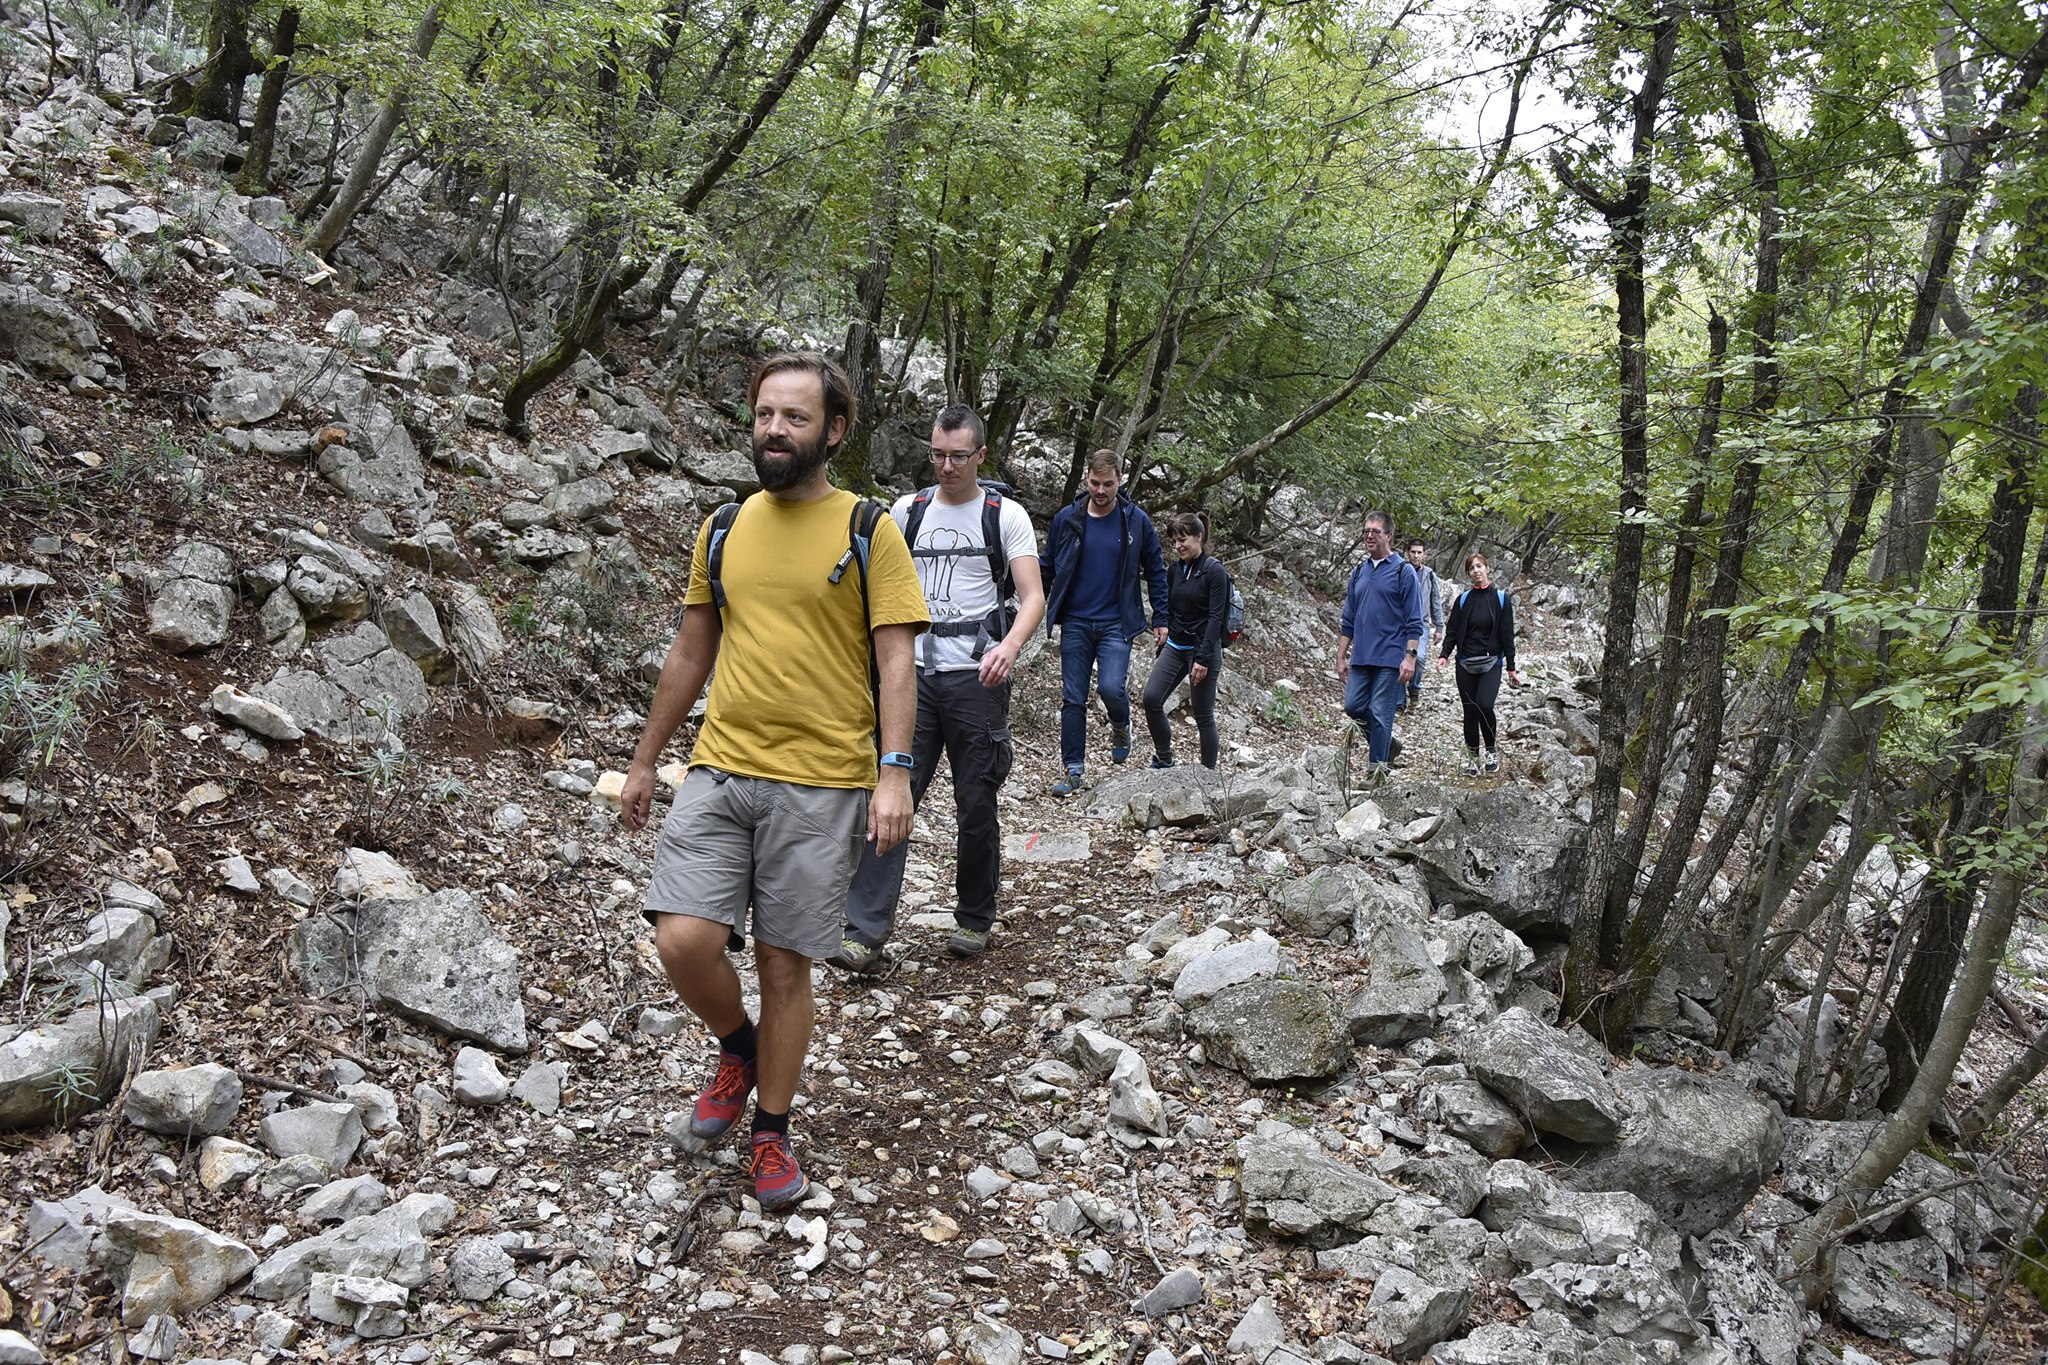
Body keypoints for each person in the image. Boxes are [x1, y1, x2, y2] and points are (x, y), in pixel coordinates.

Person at [619, 352, 928, 1211]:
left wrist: (894, 773)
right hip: (722, 765)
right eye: (764, 415)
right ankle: (740, 1046)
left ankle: (771, 1132)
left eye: (795, 417)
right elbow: (692, 650)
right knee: (683, 939)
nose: (775, 430)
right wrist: (645, 758)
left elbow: (896, 660)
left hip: (824, 780)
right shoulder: (724, 526)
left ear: (834, 430)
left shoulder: (868, 528)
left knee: (783, 963)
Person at [829, 405, 1046, 972]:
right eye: (938, 455)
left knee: (976, 803)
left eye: (958, 456)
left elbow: (1033, 597)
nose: (947, 466)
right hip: (911, 682)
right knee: (891, 795)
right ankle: (863, 931)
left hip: (977, 680)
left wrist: (1008, 647)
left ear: (981, 456)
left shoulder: (1005, 516)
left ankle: (974, 917)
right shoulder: (908, 511)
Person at [1039, 449, 1169, 796]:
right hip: (1076, 621)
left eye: (1108, 484)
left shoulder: (1136, 521)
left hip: (1116, 623)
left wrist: (1161, 617)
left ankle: (1121, 724)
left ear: (1119, 481)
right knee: (1073, 697)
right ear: (1087, 478)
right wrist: (1031, 603)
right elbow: (1047, 566)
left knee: (1111, 688)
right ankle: (1073, 770)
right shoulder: (1068, 518)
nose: (1100, 490)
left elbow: (1156, 570)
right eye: (1095, 483)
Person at [1335, 510, 1425, 782]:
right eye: (1366, 531)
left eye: (1375, 531)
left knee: (1380, 712)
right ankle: (1388, 745)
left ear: (1389, 535)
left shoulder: (1403, 571)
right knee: (1353, 706)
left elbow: (1415, 620)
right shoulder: (1359, 572)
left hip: (1390, 657)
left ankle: (1376, 772)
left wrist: (1410, 657)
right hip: (1362, 656)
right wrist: (1341, 655)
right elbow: (1348, 618)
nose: (1369, 536)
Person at [1141, 512, 1231, 770]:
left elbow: (1216, 618)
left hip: (1202, 649)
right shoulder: (1176, 569)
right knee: (1151, 698)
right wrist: (1164, 634)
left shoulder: (1215, 571)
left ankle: (1208, 774)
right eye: (1174, 542)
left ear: (1199, 537)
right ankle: (1164, 757)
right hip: (1176, 645)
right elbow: (1169, 605)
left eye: (1183, 540)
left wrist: (1202, 659)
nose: (1178, 546)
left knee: (1203, 714)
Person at [1438, 551, 1522, 774]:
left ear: (1487, 569)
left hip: (1491, 662)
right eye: (1471, 568)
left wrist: (1511, 667)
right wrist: (1444, 655)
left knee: (1484, 705)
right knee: (1470, 711)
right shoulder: (1463, 600)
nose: (1476, 571)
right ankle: (1473, 758)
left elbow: (1507, 635)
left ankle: (1491, 750)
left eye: (1479, 566)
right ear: (1468, 574)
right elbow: (1452, 631)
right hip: (1465, 662)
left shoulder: (1501, 599)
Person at [1400, 538, 1445, 712]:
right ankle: (1399, 699)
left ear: (1425, 555)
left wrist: (1439, 627)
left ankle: (1414, 689)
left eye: (1419, 552)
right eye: (1413, 552)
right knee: (1398, 657)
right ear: (1407, 553)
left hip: (1421, 624)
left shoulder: (1429, 575)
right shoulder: (1400, 570)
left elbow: (1435, 601)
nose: (1416, 555)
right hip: (1400, 623)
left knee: (1418, 657)